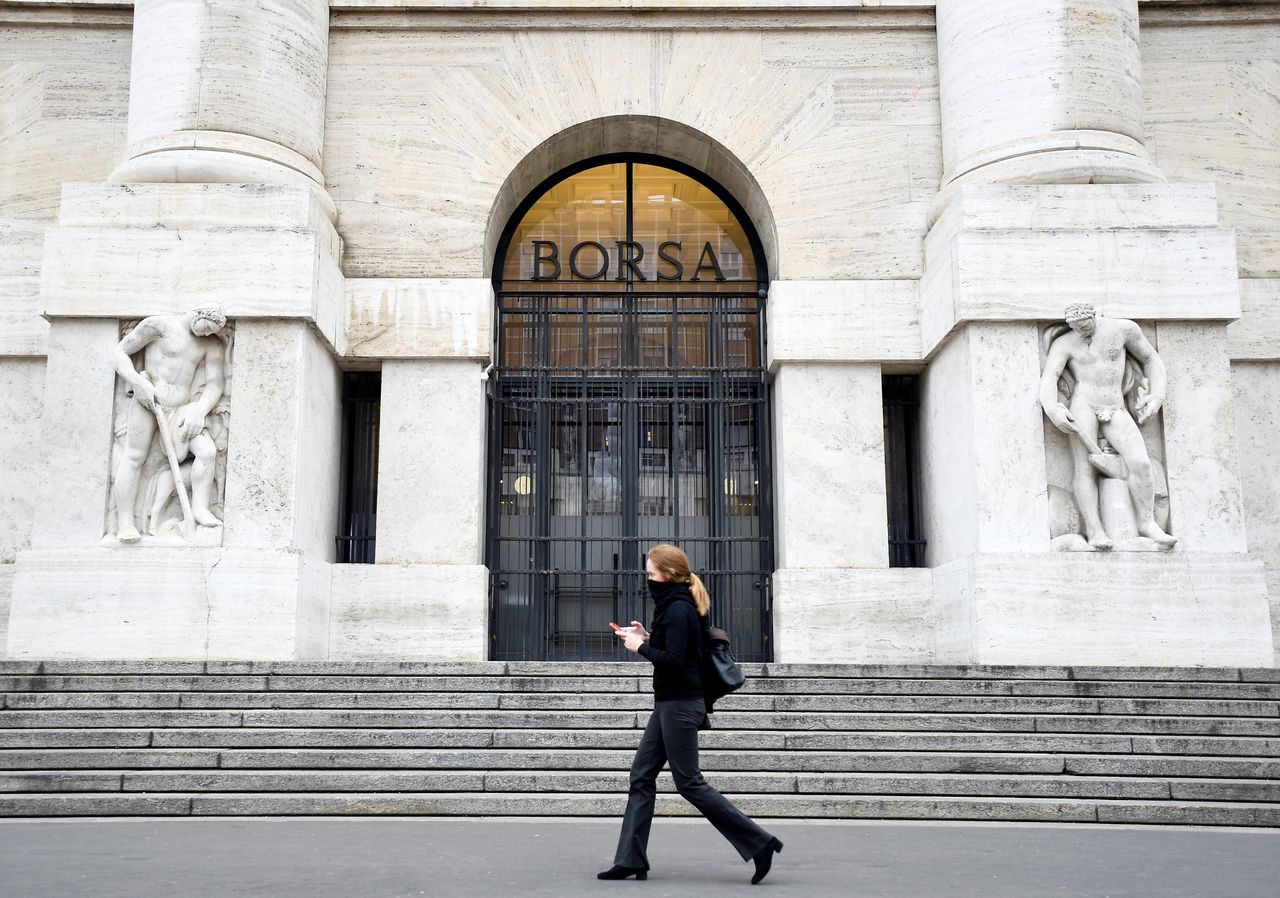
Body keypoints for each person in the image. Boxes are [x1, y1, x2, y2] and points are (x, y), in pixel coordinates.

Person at [597, 544, 783, 885]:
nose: (648, 579)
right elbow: (677, 648)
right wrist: (646, 636)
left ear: (668, 575)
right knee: (641, 776)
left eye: (651, 574)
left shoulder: (679, 608)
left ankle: (760, 843)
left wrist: (641, 648)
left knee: (690, 782)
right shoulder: (674, 605)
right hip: (669, 702)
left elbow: (677, 660)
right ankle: (630, 859)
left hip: (680, 704)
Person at [1039, 302, 1176, 550]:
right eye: (1077, 329)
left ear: (1094, 317)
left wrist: (1157, 395)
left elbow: (1151, 359)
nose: (1083, 333)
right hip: (1083, 404)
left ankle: (1147, 523)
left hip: (1116, 405)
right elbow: (1050, 377)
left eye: (1086, 327)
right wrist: (1053, 409)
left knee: (1141, 463)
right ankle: (1094, 529)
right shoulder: (1066, 342)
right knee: (1084, 468)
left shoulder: (1123, 330)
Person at [111, 306, 229, 542]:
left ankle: (200, 509)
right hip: (148, 401)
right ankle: (125, 525)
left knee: (207, 451)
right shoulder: (159, 326)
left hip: (182, 410)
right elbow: (120, 353)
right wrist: (138, 383)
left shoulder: (211, 344)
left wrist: (200, 409)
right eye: (207, 327)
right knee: (134, 457)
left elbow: (215, 383)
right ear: (199, 315)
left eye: (213, 331)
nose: (207, 333)